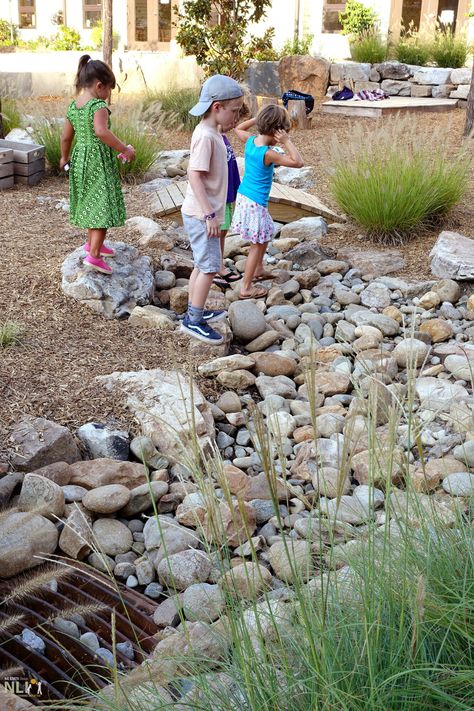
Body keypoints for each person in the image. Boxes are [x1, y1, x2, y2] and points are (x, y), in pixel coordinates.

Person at [180, 75, 244, 345]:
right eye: (235, 110)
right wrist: (210, 214)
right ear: (217, 107)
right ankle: (193, 321)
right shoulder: (206, 136)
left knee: (202, 264)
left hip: (205, 213)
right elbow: (193, 174)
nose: (237, 116)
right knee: (208, 267)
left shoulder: (213, 132)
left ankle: (194, 312)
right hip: (201, 214)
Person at [60, 54, 136, 275]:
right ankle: (93, 256)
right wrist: (124, 149)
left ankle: (94, 244)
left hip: (80, 160)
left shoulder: (74, 106)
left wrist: (64, 158)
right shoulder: (97, 106)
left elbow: (66, 137)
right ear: (100, 86)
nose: (109, 95)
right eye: (109, 90)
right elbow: (101, 132)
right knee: (101, 206)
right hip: (97, 161)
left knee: (90, 202)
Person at [232, 104, 304, 299]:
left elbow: (238, 128)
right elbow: (298, 162)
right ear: (276, 131)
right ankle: (246, 287)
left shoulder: (251, 141)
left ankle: (258, 270)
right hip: (255, 202)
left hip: (245, 196)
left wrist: (259, 119)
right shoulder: (268, 153)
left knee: (263, 237)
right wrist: (287, 142)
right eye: (281, 133)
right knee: (257, 243)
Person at [212, 126, 242, 290]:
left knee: (223, 232)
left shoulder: (222, 135)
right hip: (219, 196)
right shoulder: (212, 137)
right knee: (217, 233)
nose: (235, 121)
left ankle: (219, 264)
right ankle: (215, 268)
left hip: (227, 192)